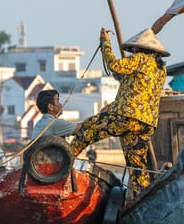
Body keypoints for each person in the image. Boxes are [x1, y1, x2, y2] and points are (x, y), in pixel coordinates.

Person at [70, 27, 168, 197]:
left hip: (127, 117)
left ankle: (61, 166)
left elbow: (114, 65)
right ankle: (140, 200)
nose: (133, 53)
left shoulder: (141, 59)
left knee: (85, 131)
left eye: (134, 51)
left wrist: (105, 43)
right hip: (146, 123)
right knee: (137, 167)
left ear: (139, 49)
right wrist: (113, 106)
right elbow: (137, 91)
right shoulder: (160, 69)